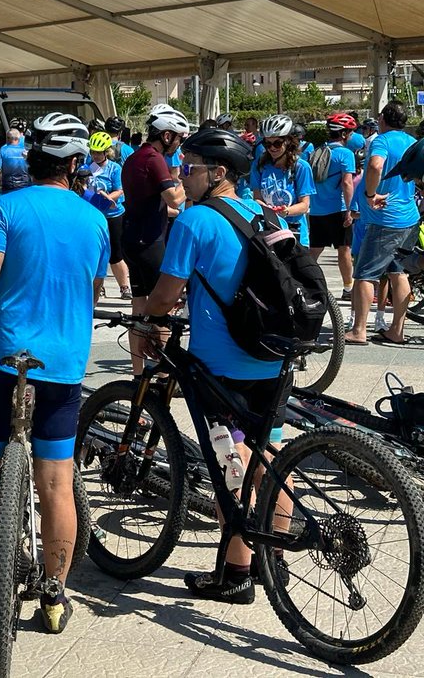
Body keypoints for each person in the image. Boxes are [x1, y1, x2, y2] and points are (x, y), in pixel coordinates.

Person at [0, 113, 107, 633]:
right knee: (55, 483)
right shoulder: (95, 218)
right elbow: (93, 291)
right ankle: (54, 597)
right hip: (63, 367)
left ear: (30, 159)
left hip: (4, 361)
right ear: (76, 164)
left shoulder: (5, 208)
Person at [132, 127, 289, 604]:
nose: (182, 174)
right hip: (273, 357)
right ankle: (272, 558)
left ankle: (237, 572)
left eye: (191, 167)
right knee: (271, 459)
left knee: (232, 460)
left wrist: (147, 319)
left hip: (222, 364)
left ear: (218, 173)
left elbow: (164, 294)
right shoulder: (262, 212)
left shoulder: (196, 222)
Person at [120, 105, 188, 379]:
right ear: (168, 135)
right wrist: (184, 177)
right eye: (180, 138)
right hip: (150, 242)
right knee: (163, 308)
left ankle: (139, 375)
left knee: (139, 311)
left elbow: (154, 204)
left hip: (132, 238)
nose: (180, 144)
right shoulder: (154, 158)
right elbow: (174, 200)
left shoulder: (134, 157)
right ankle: (165, 376)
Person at [345, 101, 421, 346]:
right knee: (398, 272)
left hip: (384, 218)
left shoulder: (382, 140)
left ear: (382, 119)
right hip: (408, 215)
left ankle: (358, 330)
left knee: (365, 274)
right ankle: (396, 331)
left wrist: (369, 194)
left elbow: (376, 165)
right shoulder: (412, 142)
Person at [307, 114, 358, 300]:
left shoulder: (317, 151)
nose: (352, 135)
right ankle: (348, 289)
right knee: (344, 249)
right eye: (350, 132)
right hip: (339, 209)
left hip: (317, 210)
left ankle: (302, 281)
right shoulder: (346, 154)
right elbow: (347, 183)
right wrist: (351, 209)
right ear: (344, 134)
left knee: (314, 250)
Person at [250, 115, 314, 247]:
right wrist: (267, 209)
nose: (272, 148)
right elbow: (257, 197)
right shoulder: (259, 165)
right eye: (267, 144)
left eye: (277, 143)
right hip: (268, 231)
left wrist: (286, 211)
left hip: (294, 232)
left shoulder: (301, 167)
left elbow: (304, 205)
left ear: (288, 142)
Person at [87, 131, 130, 298]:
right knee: (95, 251)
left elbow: (120, 190)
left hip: (113, 214)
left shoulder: (114, 168)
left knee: (116, 253)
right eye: (93, 152)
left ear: (107, 152)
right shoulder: (87, 166)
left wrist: (107, 199)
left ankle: (124, 286)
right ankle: (98, 285)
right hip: (94, 214)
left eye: (99, 152)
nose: (95, 156)